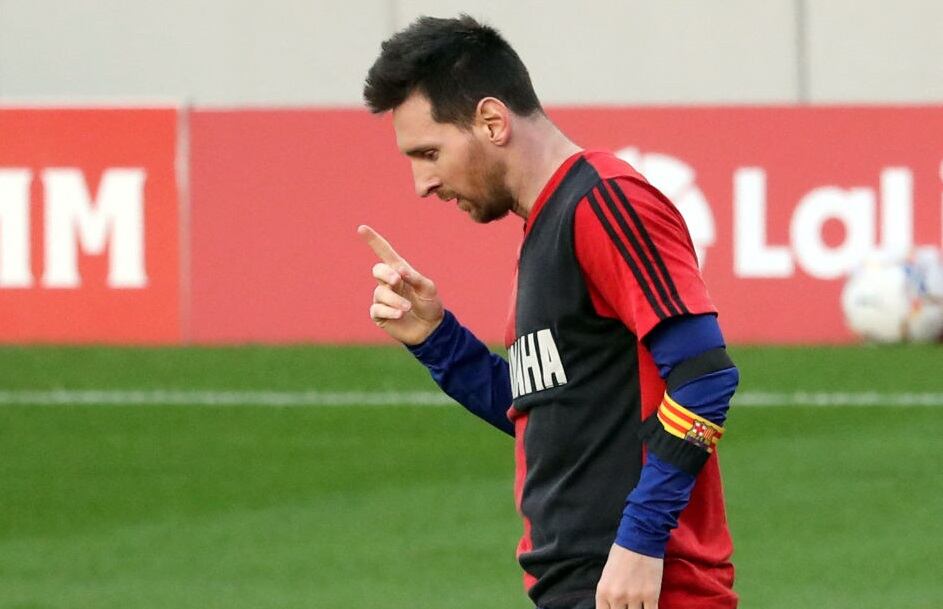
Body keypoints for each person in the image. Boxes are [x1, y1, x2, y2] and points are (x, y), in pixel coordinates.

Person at [359, 15, 739, 609]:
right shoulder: (549, 225)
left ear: (491, 120)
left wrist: (639, 542)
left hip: (642, 589)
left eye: (429, 152)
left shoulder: (605, 203)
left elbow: (704, 377)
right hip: (585, 587)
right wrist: (436, 339)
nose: (421, 183)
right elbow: (544, 414)